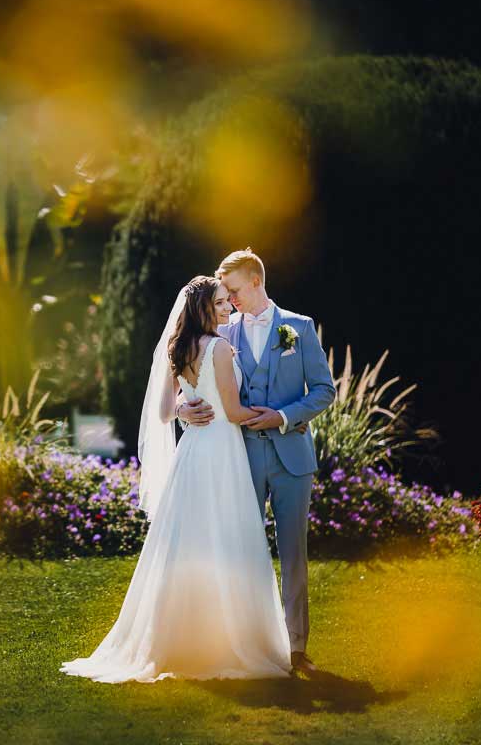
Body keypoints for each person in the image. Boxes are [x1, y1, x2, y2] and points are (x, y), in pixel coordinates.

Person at [60, 275, 293, 683]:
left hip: (192, 453)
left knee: (189, 539)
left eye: (227, 301)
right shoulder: (220, 348)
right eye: (219, 302)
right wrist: (278, 417)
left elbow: (164, 411)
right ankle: (226, 639)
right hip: (222, 450)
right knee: (225, 536)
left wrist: (185, 409)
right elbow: (233, 413)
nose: (227, 307)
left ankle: (180, 637)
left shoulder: (177, 348)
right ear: (203, 308)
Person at [174, 248, 335, 676]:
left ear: (256, 281)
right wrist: (182, 408)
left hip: (292, 458)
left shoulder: (299, 327)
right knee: (239, 550)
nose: (228, 299)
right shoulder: (221, 332)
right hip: (238, 457)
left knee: (294, 554)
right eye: (224, 293)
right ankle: (242, 641)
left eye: (233, 290)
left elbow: (324, 390)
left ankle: (296, 648)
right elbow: (188, 377)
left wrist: (282, 416)